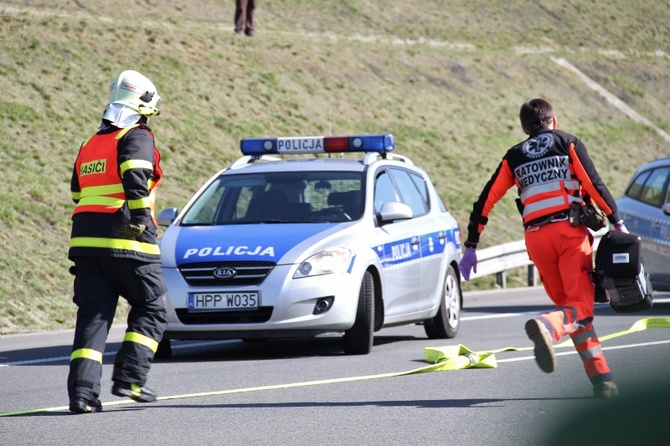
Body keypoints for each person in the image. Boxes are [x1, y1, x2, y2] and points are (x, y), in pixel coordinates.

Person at [459, 98, 628, 399]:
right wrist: (616, 221)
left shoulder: (514, 156)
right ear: (555, 120)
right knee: (579, 308)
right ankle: (547, 326)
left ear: (524, 127)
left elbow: (485, 200)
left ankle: (602, 381)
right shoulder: (568, 142)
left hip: (536, 239)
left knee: (573, 312)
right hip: (569, 232)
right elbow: (593, 183)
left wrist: (472, 244)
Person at [67, 70, 168, 414]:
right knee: (153, 307)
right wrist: (142, 222)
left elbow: (77, 192)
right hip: (127, 239)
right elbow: (136, 177)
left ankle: (82, 394)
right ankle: (130, 378)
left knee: (93, 318)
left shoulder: (90, 144)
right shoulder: (136, 136)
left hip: (85, 242)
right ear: (143, 107)